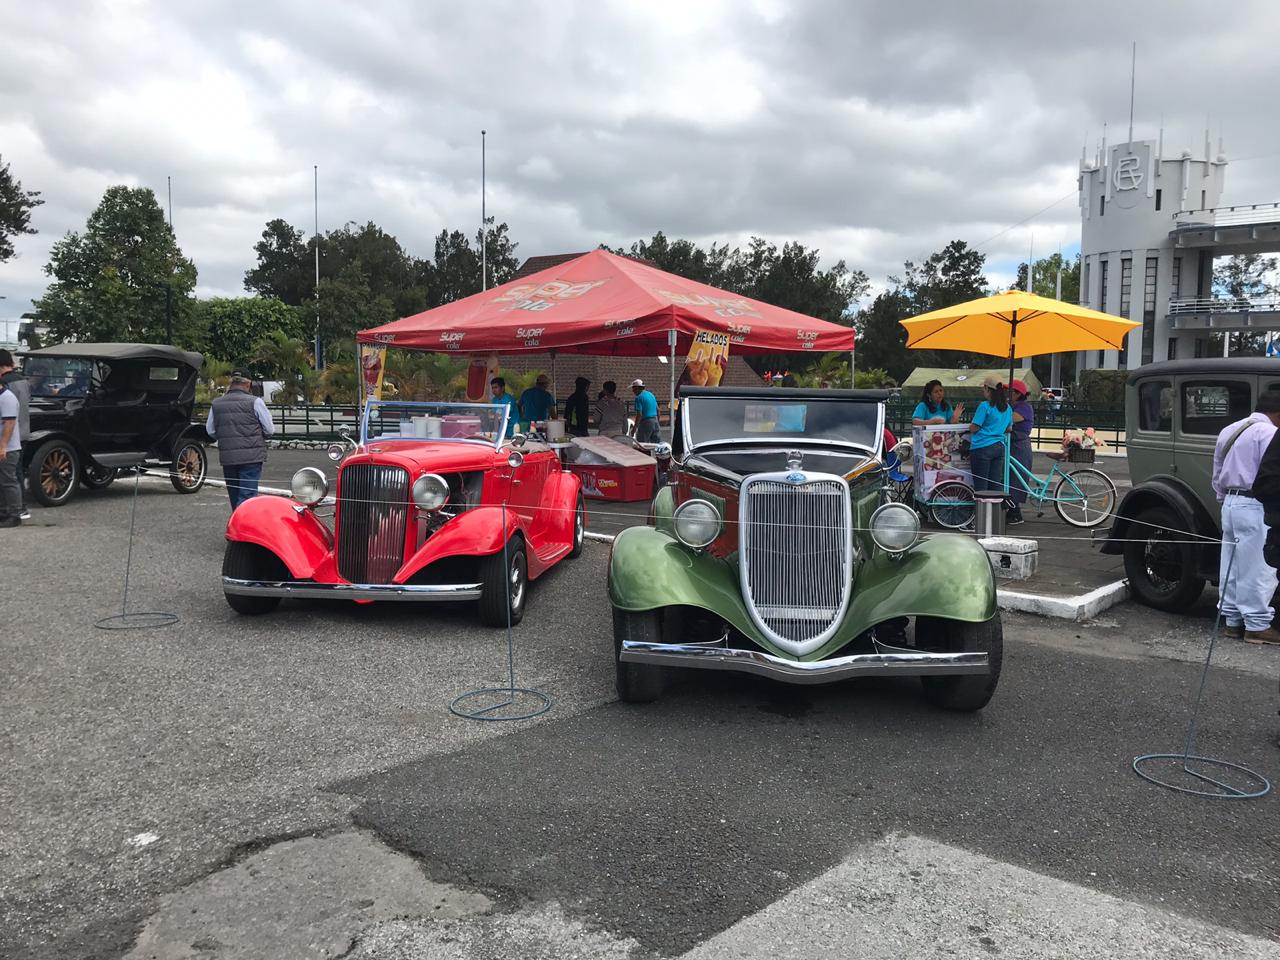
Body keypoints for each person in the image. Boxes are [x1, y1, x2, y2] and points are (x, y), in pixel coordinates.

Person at [1212, 390, 1280, 644]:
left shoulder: (1230, 430)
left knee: (1230, 563)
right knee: (1258, 567)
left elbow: (1217, 471)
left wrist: (1224, 500)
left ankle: (1232, 620)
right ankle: (1257, 625)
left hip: (1230, 501)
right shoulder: (1270, 434)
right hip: (1256, 503)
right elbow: (1271, 475)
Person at [206, 370, 275, 509]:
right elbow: (269, 429)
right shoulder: (255, 402)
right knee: (247, 496)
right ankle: (243, 528)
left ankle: (236, 525)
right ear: (248, 383)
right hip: (251, 457)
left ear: (232, 382)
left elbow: (210, 431)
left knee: (234, 494)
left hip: (228, 457)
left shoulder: (217, 404)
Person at [967, 374, 1013, 511]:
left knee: (981, 487)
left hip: (982, 447)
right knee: (995, 485)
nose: (983, 391)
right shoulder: (1007, 408)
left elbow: (974, 427)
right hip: (999, 447)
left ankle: (980, 519)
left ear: (988, 389)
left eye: (984, 389)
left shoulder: (984, 406)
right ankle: (995, 517)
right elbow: (1009, 429)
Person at [0, 350, 31, 520]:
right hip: (24, 430)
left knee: (9, 477)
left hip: (9, 435)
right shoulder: (23, 380)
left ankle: (16, 509)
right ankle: (22, 507)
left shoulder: (5, 385)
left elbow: (9, 418)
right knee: (16, 473)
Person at [1007, 379, 1035, 526]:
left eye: (1010, 391)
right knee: (1010, 477)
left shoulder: (1024, 407)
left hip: (1019, 446)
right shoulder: (1014, 406)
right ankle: (1011, 509)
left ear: (1018, 394)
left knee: (1016, 478)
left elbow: (1008, 420)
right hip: (1013, 444)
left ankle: (1015, 511)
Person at [631, 378, 661, 443]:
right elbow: (658, 410)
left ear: (637, 388)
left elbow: (639, 414)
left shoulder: (638, 398)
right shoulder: (651, 395)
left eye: (633, 388)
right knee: (656, 444)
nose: (633, 391)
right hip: (655, 420)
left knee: (642, 444)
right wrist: (657, 422)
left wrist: (634, 428)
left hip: (646, 422)